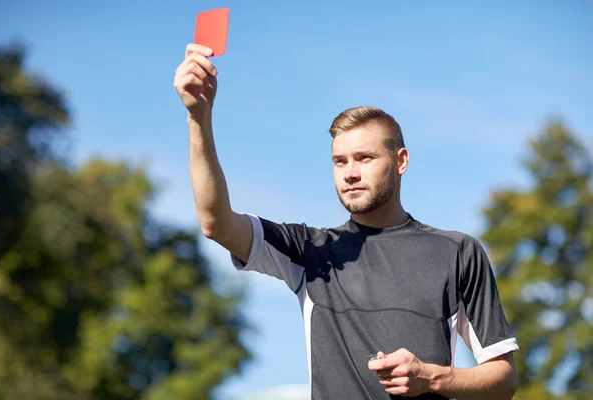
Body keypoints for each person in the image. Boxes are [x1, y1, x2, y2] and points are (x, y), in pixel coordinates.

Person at [174, 43, 519, 400]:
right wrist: (198, 117)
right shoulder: (310, 250)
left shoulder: (457, 252)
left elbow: (503, 379)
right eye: (340, 162)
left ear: (401, 161)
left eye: (364, 158)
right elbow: (216, 223)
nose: (350, 173)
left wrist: (430, 378)